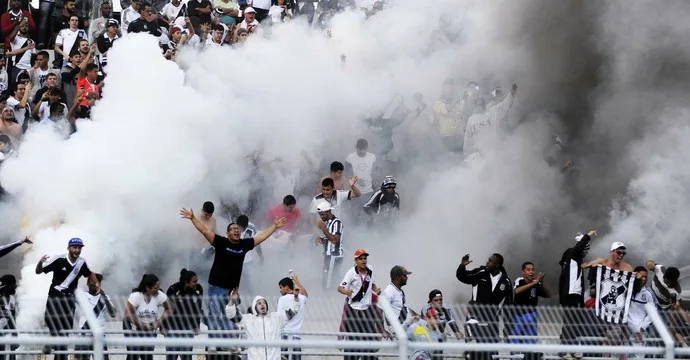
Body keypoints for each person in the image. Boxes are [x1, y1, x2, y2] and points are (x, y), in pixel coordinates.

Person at [179, 207, 286, 351]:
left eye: (238, 229)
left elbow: (261, 238)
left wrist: (274, 226)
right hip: (216, 286)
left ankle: (227, 344)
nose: (236, 231)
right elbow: (204, 230)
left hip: (232, 290)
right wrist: (192, 218)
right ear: (227, 233)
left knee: (228, 315)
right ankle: (213, 344)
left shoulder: (244, 244)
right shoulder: (221, 242)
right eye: (233, 229)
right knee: (215, 315)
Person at [35, 237, 99, 358]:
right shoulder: (59, 258)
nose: (77, 250)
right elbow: (38, 271)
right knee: (52, 324)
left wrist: (96, 285)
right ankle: (51, 341)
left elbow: (91, 274)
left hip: (69, 299)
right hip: (55, 297)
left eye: (79, 248)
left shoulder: (82, 262)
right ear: (68, 248)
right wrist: (40, 262)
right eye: (74, 247)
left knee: (65, 331)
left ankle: (60, 352)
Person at [456, 253, 512, 360]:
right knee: (473, 354)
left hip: (492, 324)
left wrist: (507, 327)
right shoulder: (480, 273)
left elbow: (508, 307)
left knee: (492, 355)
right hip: (474, 321)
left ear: (497, 265)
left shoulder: (506, 282)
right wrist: (462, 266)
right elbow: (462, 276)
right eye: (488, 260)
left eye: (490, 261)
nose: (487, 262)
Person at [225, 289, 301, 360]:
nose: (262, 305)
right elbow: (231, 315)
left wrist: (296, 297)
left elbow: (294, 311)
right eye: (259, 303)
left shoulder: (276, 318)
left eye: (264, 303)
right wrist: (232, 301)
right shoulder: (248, 319)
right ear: (255, 306)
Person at [558, 230, 596, 358]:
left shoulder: (577, 264)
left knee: (575, 322)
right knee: (569, 322)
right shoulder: (572, 257)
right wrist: (588, 236)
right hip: (569, 295)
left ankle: (572, 348)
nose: (586, 253)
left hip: (576, 296)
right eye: (585, 249)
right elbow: (577, 248)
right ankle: (564, 351)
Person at [337, 249, 381, 360]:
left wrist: (377, 290)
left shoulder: (370, 270)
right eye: (360, 259)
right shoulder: (351, 272)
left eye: (365, 258)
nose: (363, 261)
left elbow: (373, 284)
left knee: (369, 341)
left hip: (367, 311)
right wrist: (346, 292)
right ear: (355, 260)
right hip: (354, 312)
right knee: (353, 343)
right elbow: (340, 287)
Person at [124, 274, 174, 360]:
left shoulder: (159, 295)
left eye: (158, 287)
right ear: (147, 288)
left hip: (151, 328)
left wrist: (159, 322)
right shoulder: (136, 296)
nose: (158, 290)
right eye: (155, 288)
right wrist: (143, 325)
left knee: (147, 356)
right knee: (133, 355)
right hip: (134, 328)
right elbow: (127, 314)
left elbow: (171, 308)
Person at [511, 261, 551, 360]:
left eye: (533, 270)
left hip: (532, 315)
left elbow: (548, 294)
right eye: (528, 270)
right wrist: (534, 283)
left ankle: (528, 356)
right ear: (523, 272)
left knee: (530, 341)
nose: (531, 272)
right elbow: (516, 291)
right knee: (515, 341)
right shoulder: (519, 280)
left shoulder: (536, 283)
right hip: (518, 316)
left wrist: (541, 282)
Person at [75, 273, 116, 360]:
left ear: (100, 284)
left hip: (99, 336)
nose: (94, 283)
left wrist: (104, 298)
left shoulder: (105, 297)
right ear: (87, 283)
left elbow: (113, 314)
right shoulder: (82, 296)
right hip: (83, 335)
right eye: (91, 281)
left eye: (97, 282)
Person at [164, 269, 203, 360]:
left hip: (188, 328)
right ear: (186, 282)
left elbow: (198, 311)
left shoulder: (197, 292)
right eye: (194, 282)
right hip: (173, 327)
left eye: (197, 281)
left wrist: (196, 326)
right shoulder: (174, 290)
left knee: (186, 356)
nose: (196, 284)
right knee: (171, 356)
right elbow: (168, 306)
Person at [277, 273, 308, 360]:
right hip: (296, 337)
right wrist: (296, 280)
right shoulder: (301, 298)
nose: (280, 290)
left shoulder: (282, 299)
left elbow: (280, 318)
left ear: (286, 287)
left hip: (284, 336)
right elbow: (306, 294)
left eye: (281, 287)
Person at [314, 201, 344, 289]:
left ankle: (331, 298)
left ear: (328, 212)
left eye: (322, 214)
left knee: (329, 283)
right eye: (320, 215)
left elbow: (334, 240)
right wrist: (321, 239)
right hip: (328, 256)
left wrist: (323, 229)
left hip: (334, 256)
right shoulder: (328, 223)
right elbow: (330, 239)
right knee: (327, 280)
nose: (321, 217)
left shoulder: (337, 223)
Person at [627, 266, 654, 355]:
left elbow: (652, 313)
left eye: (646, 277)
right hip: (625, 329)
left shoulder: (648, 293)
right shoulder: (627, 289)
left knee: (638, 357)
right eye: (642, 277)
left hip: (639, 330)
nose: (644, 279)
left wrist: (641, 329)